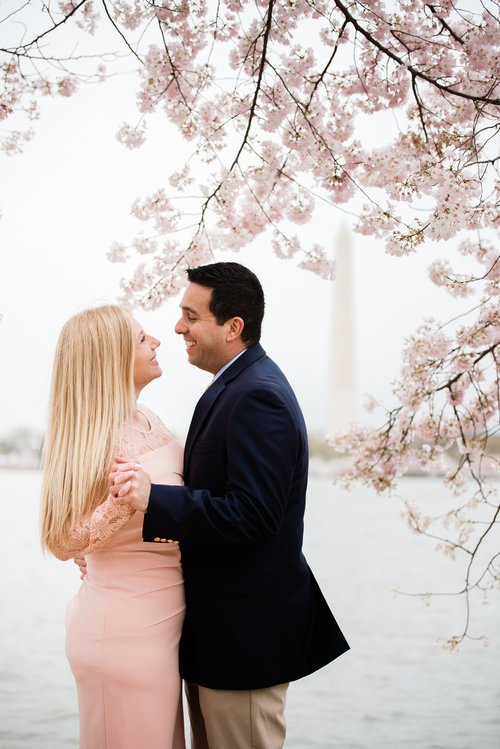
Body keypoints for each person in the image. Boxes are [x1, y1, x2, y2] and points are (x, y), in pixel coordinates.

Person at [111, 262, 350, 749]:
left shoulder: (258, 396)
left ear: (233, 326)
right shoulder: (233, 385)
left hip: (244, 641)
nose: (178, 328)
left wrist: (154, 499)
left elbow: (254, 516)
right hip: (215, 636)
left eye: (190, 316)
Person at [40, 305, 186, 749]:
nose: (157, 341)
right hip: (124, 631)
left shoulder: (150, 420)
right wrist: (118, 508)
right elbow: (63, 539)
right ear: (112, 356)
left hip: (167, 623)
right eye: (143, 339)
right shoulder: (92, 436)